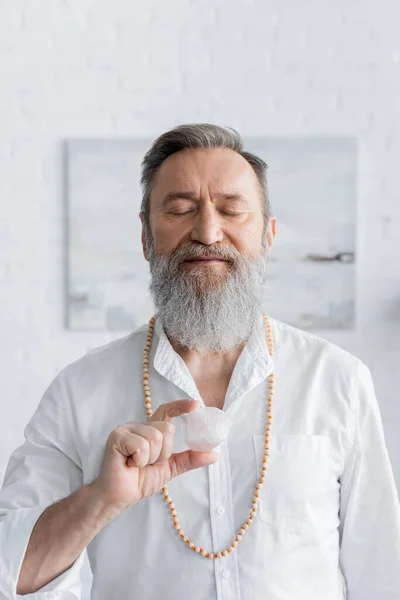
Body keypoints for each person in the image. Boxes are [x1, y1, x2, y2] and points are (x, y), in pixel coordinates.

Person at [0, 124, 399, 600]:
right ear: (146, 238)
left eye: (231, 209)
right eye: (180, 210)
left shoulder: (338, 380)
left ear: (268, 236)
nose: (208, 232)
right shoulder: (79, 390)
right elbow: (12, 574)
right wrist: (99, 499)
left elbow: (381, 571)